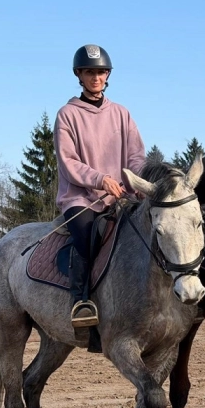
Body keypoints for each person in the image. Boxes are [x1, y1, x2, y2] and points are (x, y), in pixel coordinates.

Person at [54, 44, 146, 329]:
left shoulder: (122, 114)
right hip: (81, 198)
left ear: (108, 75)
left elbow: (136, 156)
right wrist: (100, 180)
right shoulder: (67, 115)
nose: (96, 77)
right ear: (79, 75)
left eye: (101, 72)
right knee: (86, 235)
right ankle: (81, 301)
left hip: (121, 196)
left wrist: (138, 183)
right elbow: (68, 161)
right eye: (90, 72)